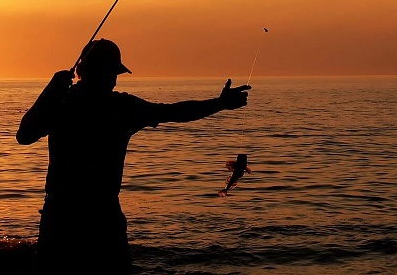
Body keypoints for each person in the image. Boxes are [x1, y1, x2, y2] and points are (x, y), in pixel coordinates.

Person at [16, 38, 250, 274]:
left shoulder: (63, 103)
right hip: (97, 219)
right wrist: (220, 103)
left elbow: (24, 135)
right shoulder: (116, 107)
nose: (114, 79)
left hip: (63, 217)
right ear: (95, 71)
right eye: (112, 73)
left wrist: (51, 91)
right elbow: (175, 112)